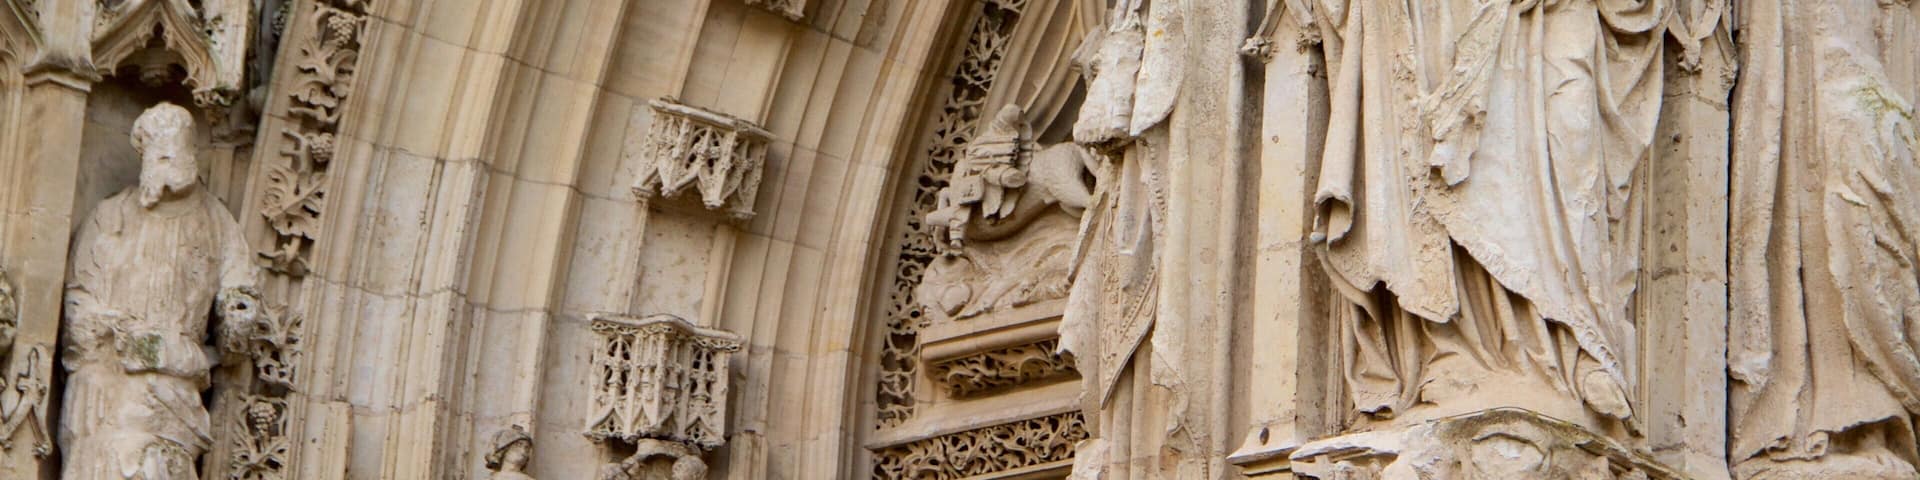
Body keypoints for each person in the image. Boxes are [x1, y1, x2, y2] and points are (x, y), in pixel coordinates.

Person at [60, 102, 261, 479]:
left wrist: (239, 312)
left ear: (192, 152)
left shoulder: (216, 222)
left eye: (176, 150)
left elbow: (241, 289)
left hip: (174, 392)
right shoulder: (110, 216)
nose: (168, 159)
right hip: (110, 391)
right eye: (159, 153)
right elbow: (79, 302)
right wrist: (112, 334)